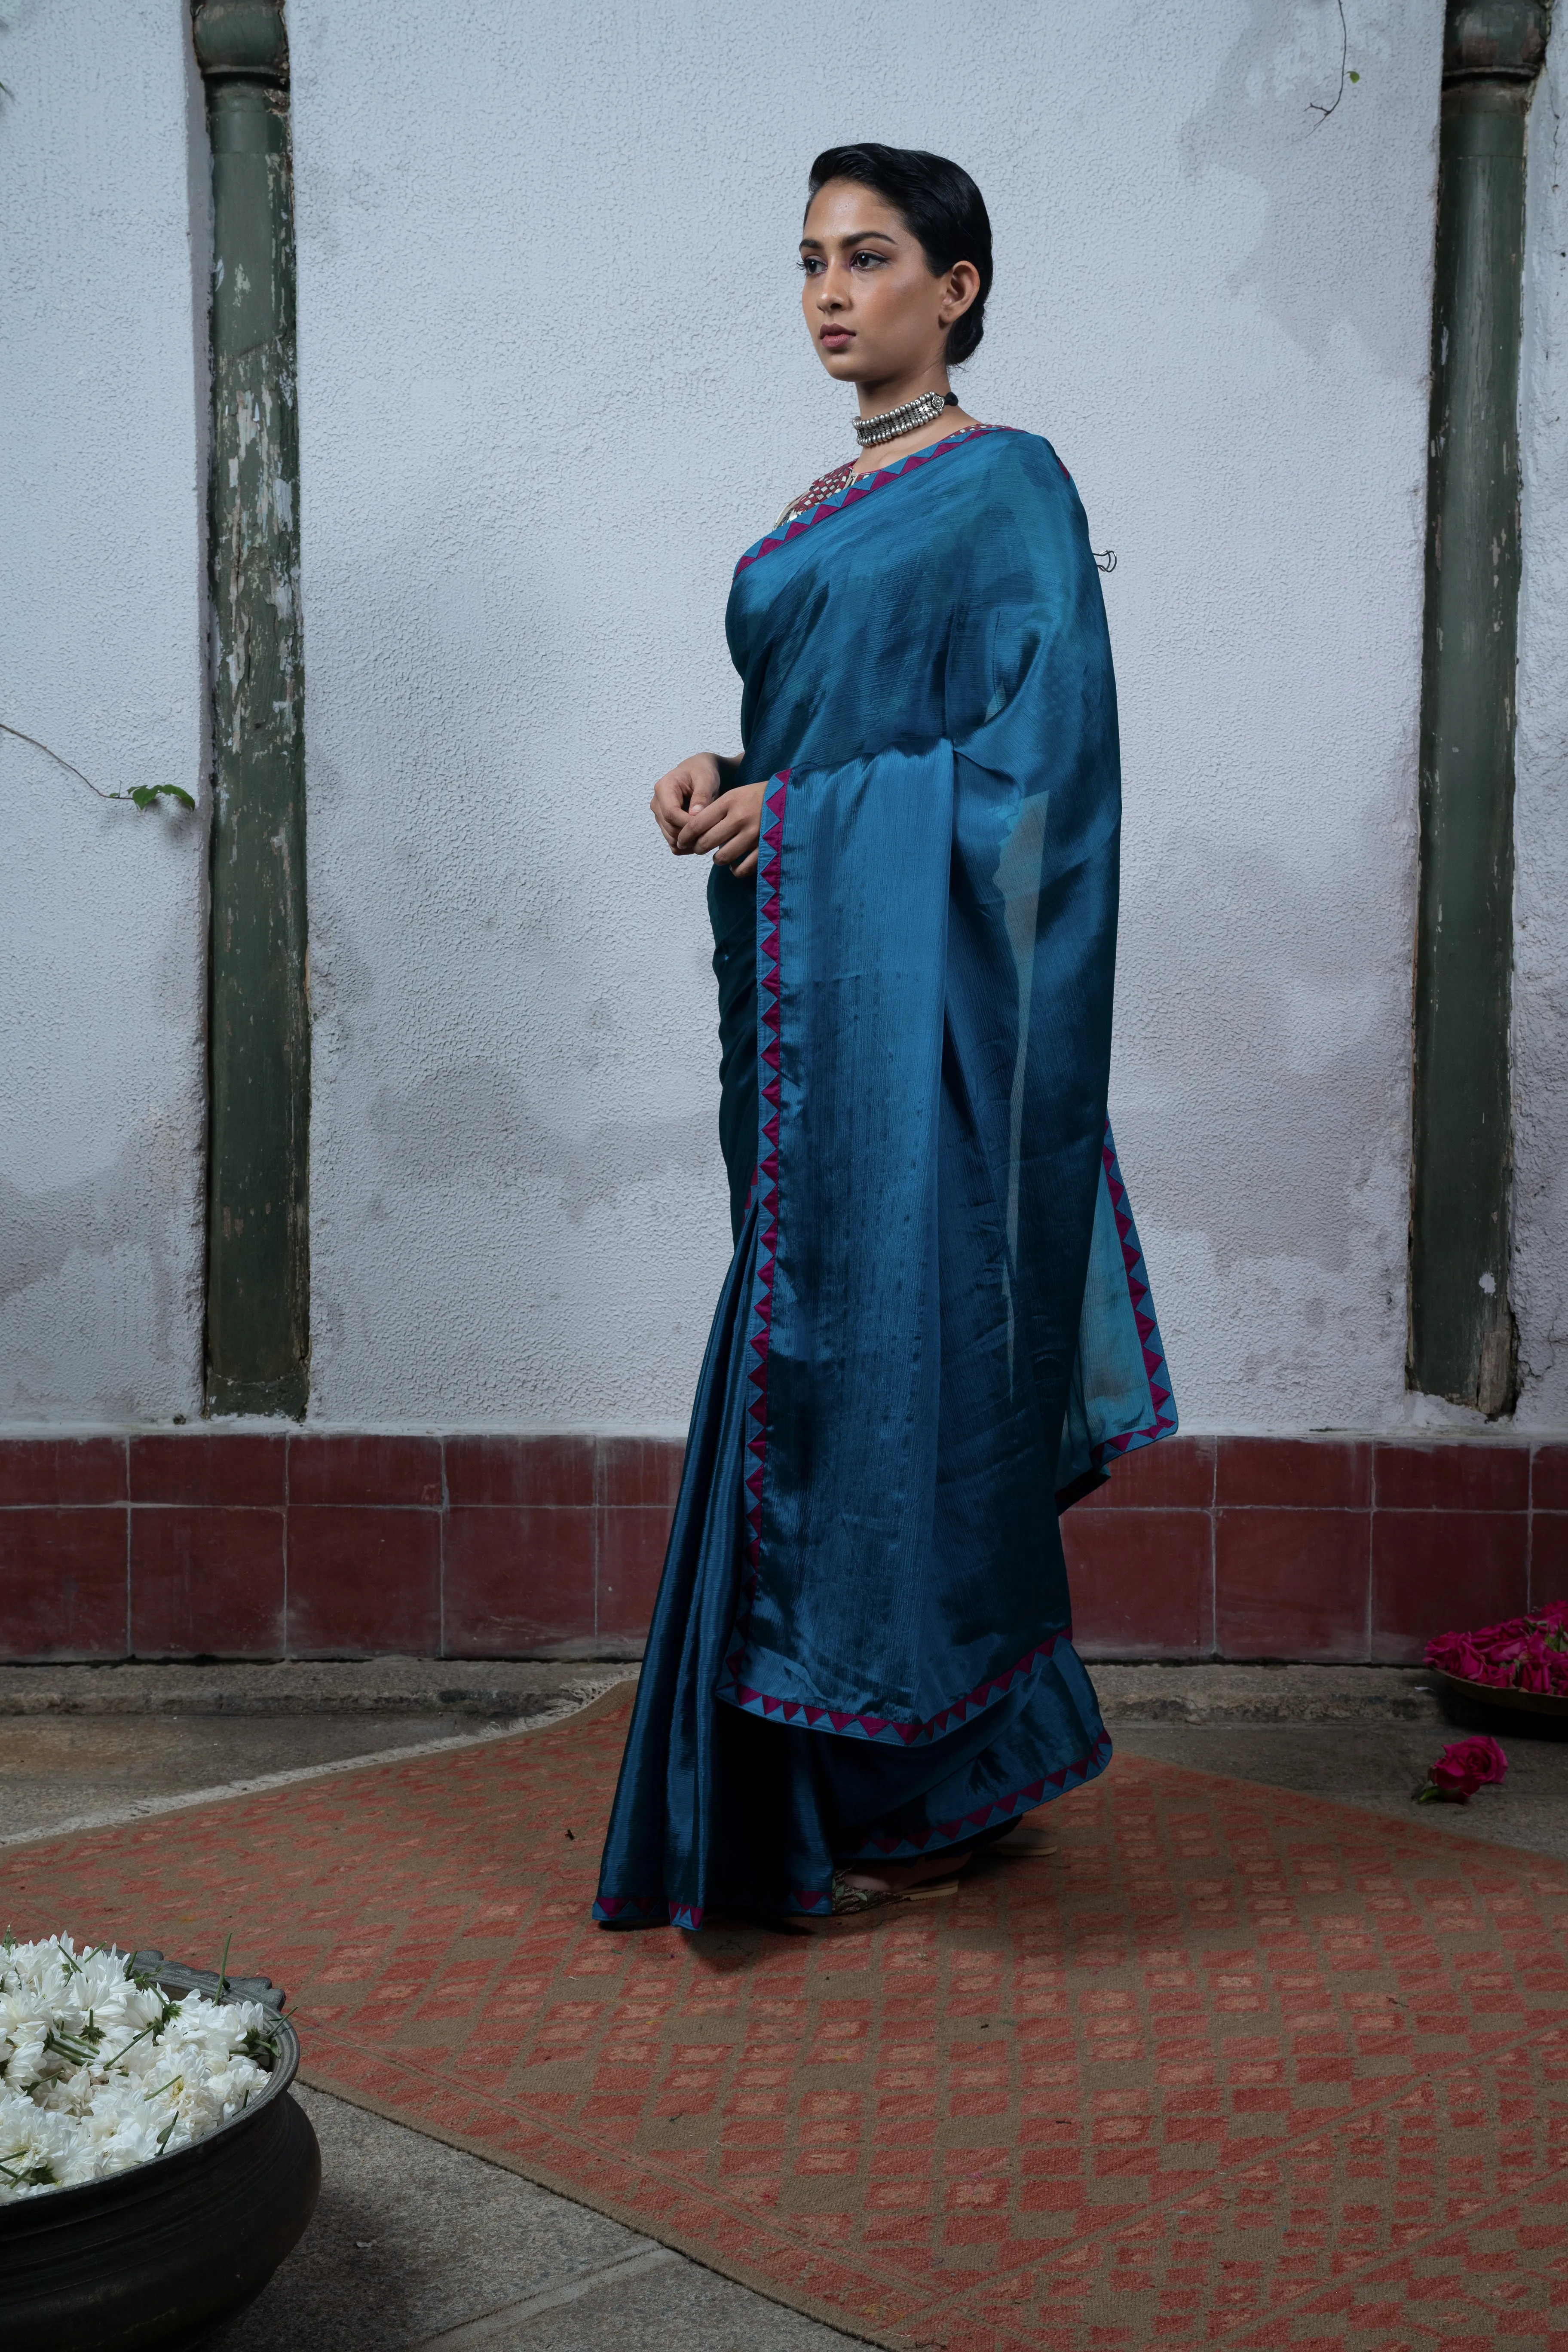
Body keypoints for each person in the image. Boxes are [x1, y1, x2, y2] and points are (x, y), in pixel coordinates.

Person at [594, 143, 1175, 1932]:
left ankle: (897, 1760)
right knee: (819, 1346)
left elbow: (1042, 771)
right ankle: (890, 1762)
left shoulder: (1007, 493)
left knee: (891, 1353)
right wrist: (734, 777)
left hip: (912, 1009)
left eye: (869, 258)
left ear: (961, 285)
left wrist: (818, 816)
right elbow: (829, 731)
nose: (831, 293)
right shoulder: (813, 509)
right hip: (807, 994)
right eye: (810, 262)